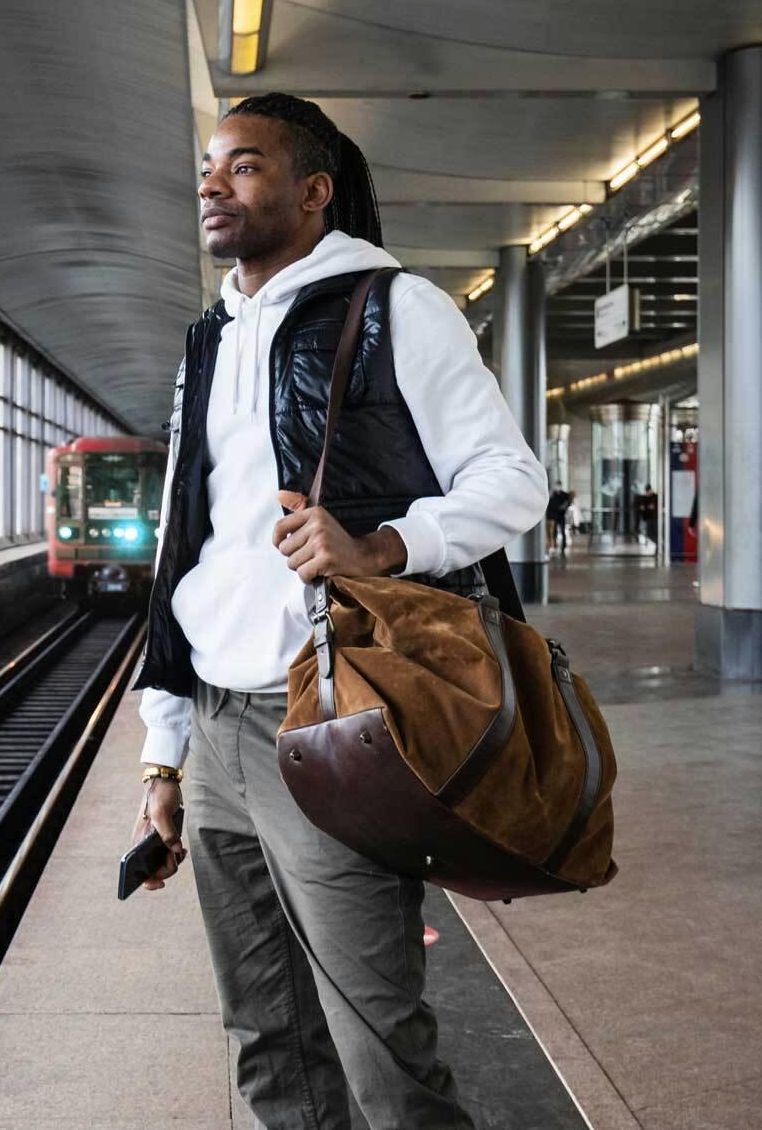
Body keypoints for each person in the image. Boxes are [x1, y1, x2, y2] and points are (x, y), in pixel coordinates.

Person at [129, 93, 548, 1130]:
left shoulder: (393, 308)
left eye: (245, 166)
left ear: (313, 191)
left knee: (377, 1046)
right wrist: (163, 752)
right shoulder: (206, 341)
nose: (212, 184)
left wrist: (380, 546)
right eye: (210, 166)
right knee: (266, 1036)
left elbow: (510, 479)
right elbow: (189, 555)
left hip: (333, 717)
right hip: (219, 726)